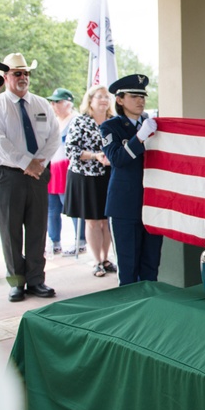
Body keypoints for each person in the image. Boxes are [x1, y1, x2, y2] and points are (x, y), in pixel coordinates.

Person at [0, 52, 60, 302]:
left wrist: (38, 164)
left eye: (26, 73)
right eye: (18, 73)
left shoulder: (41, 104)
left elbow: (53, 137)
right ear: (6, 77)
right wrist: (25, 162)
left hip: (38, 173)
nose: (23, 77)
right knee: (10, 230)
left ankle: (37, 280)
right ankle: (17, 282)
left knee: (38, 229)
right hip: (7, 176)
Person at [100, 74, 161, 286]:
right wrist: (139, 138)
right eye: (134, 96)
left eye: (143, 96)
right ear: (119, 100)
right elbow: (117, 159)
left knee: (151, 265)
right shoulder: (110, 127)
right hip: (124, 206)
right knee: (127, 268)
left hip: (151, 204)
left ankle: (148, 308)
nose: (140, 100)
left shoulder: (152, 125)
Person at [63, 85, 114, 278]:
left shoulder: (113, 121)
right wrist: (94, 156)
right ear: (90, 100)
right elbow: (71, 151)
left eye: (106, 97)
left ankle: (106, 258)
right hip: (85, 177)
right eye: (100, 97)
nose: (104, 100)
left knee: (106, 220)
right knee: (93, 221)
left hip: (108, 175)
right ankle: (97, 261)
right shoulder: (80, 121)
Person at [46, 87, 81, 256]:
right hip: (52, 166)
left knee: (71, 205)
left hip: (67, 167)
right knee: (52, 208)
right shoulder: (54, 121)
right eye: (52, 102)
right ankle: (55, 241)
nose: (54, 105)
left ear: (68, 103)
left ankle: (79, 240)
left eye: (57, 102)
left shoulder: (75, 120)